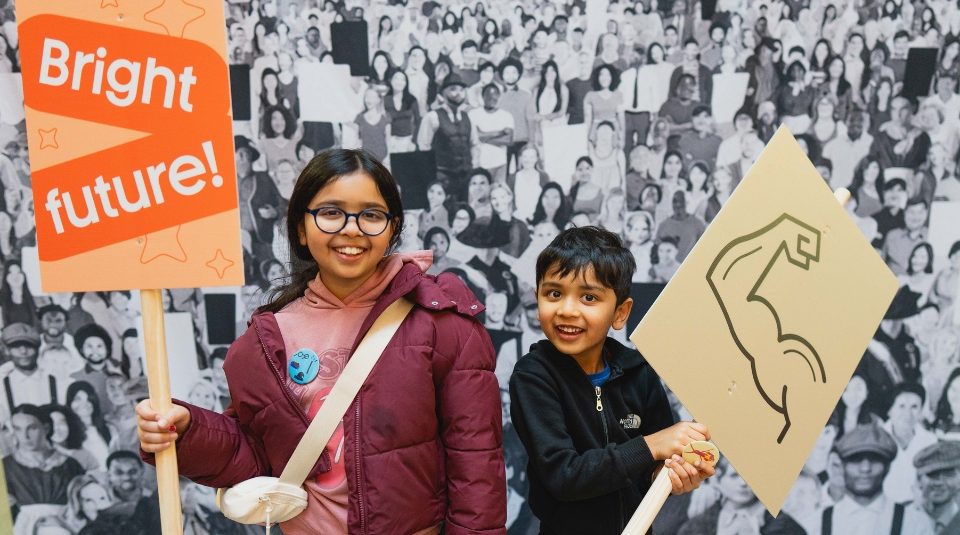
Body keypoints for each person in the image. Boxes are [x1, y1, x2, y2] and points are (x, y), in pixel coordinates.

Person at [137, 149, 506, 534]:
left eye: (371, 215)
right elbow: (256, 456)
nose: (352, 229)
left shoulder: (441, 323)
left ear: (392, 228)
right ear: (300, 228)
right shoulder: (266, 340)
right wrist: (188, 430)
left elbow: (476, 468)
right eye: (331, 212)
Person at [509, 226, 714, 534]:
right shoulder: (533, 376)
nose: (566, 310)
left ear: (620, 313)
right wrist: (652, 445)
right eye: (554, 293)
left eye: (588, 297)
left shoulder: (638, 373)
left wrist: (676, 474)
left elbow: (655, 467)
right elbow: (564, 475)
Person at [821, 423, 935, 535]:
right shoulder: (816, 524)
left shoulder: (915, 524)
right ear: (842, 466)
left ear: (887, 467)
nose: (865, 468)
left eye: (874, 459)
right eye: (856, 459)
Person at [4, 404, 85, 535]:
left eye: (32, 428)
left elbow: (83, 506)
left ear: (46, 428)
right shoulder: (6, 466)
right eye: (18, 429)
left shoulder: (70, 464)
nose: (25, 436)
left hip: (64, 527)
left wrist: (62, 523)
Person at [912, 441, 960, 533]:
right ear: (918, 480)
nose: (939, 482)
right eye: (932, 474)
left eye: (948, 474)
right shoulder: (899, 515)